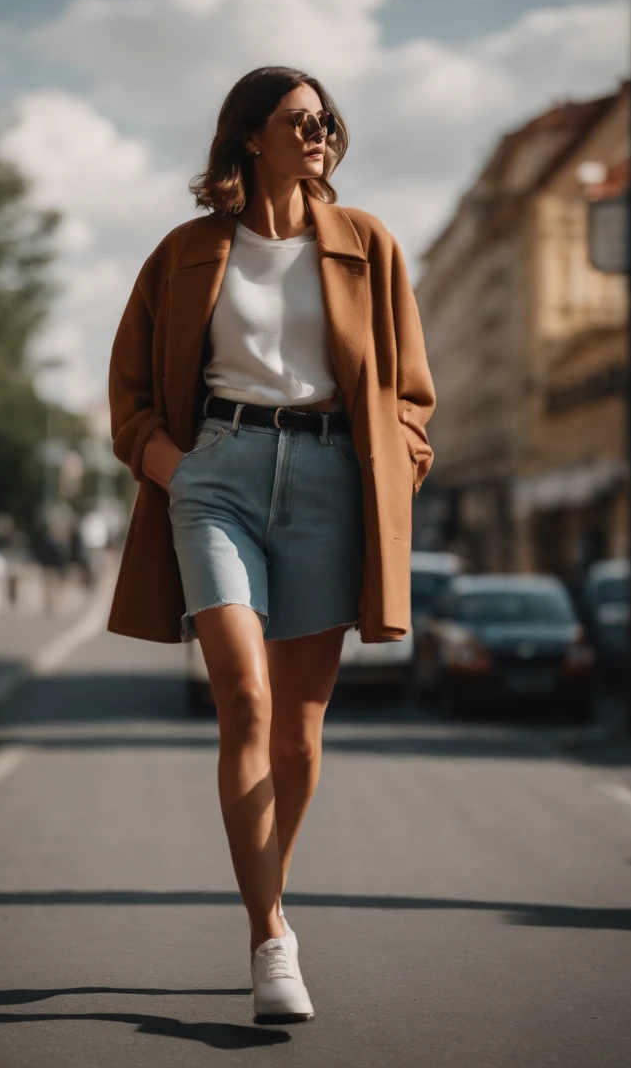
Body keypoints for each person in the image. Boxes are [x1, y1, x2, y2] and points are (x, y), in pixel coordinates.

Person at [107, 67, 435, 1023]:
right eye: (300, 120)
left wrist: (401, 456)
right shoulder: (186, 252)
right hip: (219, 478)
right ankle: (271, 940)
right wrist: (172, 464)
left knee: (298, 728)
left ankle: (267, 899)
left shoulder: (368, 244)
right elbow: (128, 393)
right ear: (250, 137)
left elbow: (412, 387)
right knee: (243, 700)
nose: (320, 132)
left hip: (334, 479)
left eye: (328, 119)